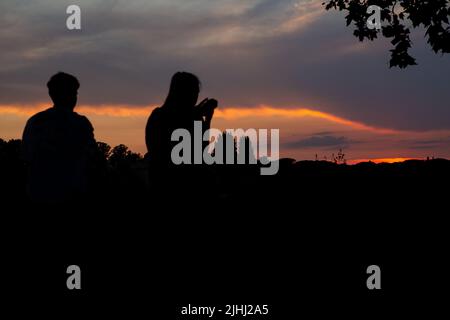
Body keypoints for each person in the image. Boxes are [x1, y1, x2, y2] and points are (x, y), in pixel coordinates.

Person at [22, 72, 97, 204]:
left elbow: (26, 156)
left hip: (39, 194)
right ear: (71, 95)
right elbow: (93, 160)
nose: (75, 97)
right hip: (72, 195)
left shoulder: (34, 122)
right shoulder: (80, 123)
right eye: (74, 93)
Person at [145, 72, 218, 199]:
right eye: (193, 92)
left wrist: (206, 120)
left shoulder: (158, 115)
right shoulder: (164, 117)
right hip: (173, 188)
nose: (195, 97)